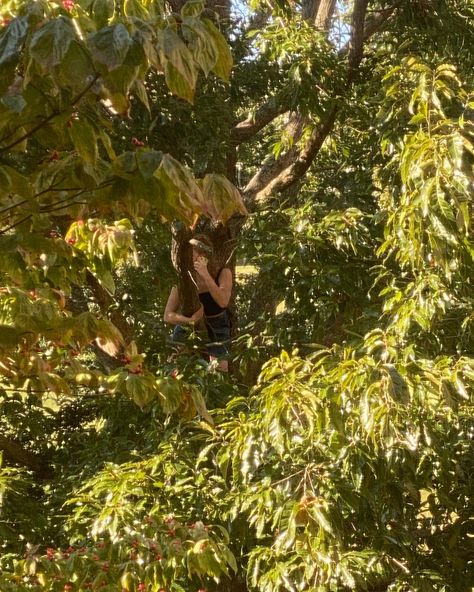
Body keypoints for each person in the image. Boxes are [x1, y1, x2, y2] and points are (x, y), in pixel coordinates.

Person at [164, 234, 232, 371]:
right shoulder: (184, 280)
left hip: (217, 325)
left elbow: (223, 302)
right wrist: (189, 321)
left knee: (220, 368)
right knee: (176, 366)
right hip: (188, 325)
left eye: (194, 253)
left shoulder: (223, 272)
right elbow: (168, 315)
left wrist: (205, 274)